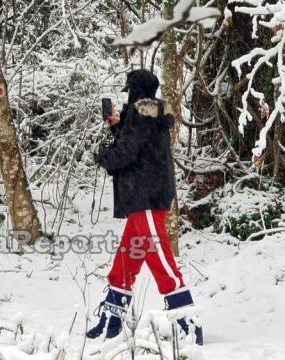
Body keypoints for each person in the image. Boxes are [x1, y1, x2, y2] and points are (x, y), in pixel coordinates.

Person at [87, 70, 203, 344]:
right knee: (125, 262)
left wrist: (102, 156)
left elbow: (125, 153)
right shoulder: (148, 115)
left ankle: (188, 324)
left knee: (161, 259)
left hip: (146, 198)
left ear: (134, 90)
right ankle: (111, 322)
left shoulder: (140, 114)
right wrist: (117, 125)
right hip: (142, 199)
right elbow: (138, 141)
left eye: (129, 89)